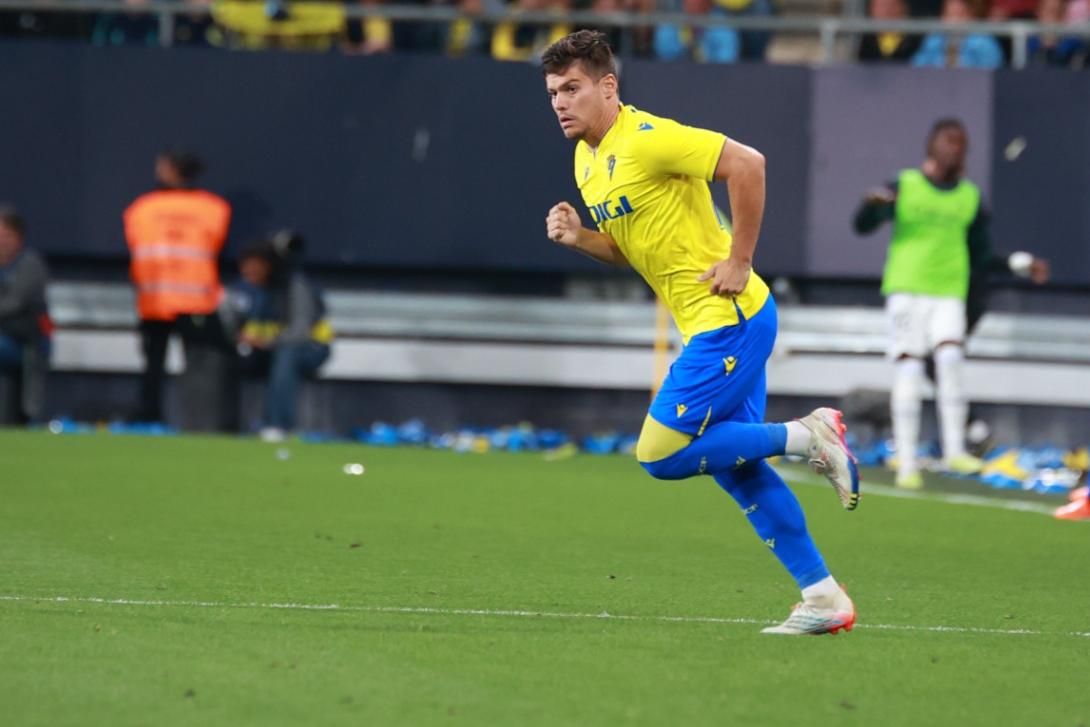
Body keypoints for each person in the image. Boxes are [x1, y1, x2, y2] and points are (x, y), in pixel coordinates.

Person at [542, 30, 859, 636]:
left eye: (573, 88)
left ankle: (807, 434)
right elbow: (637, 250)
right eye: (554, 91)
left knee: (658, 454)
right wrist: (582, 238)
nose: (560, 102)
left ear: (608, 86)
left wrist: (740, 258)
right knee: (737, 466)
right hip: (712, 326)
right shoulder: (587, 158)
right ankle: (823, 596)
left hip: (728, 319)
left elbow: (747, 163)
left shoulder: (649, 138)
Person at [853, 119, 1049, 490]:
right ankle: (907, 463)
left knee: (950, 358)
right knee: (910, 370)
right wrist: (871, 206)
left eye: (961, 144)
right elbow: (863, 225)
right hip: (908, 290)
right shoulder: (905, 185)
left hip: (949, 293)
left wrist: (1020, 263)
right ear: (932, 145)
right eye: (949, 142)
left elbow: (983, 254)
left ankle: (954, 447)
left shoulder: (969, 198)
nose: (955, 149)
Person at [123, 151, 231, 425]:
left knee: (153, 367)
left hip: (155, 300)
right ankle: (200, 422)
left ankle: (149, 420)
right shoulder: (214, 208)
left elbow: (136, 247)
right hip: (197, 301)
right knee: (199, 370)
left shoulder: (142, 208)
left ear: (171, 169)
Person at [225, 236, 333, 442]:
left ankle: (278, 425)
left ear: (269, 267)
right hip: (267, 349)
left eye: (255, 267)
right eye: (245, 267)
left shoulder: (293, 286)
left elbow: (300, 332)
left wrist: (265, 343)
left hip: (311, 348)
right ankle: (223, 425)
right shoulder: (243, 291)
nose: (249, 272)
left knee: (286, 356)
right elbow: (232, 323)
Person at [0, 206, 51, 424]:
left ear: (19, 238)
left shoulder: (30, 265)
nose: (1, 241)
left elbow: (13, 304)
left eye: (6, 235)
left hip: (27, 341)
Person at [911, 0, 1003, 69]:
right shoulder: (934, 40)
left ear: (970, 16)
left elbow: (991, 72)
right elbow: (916, 67)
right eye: (949, 14)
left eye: (959, 14)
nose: (954, 21)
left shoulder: (984, 42)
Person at [857, 0, 923, 63]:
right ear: (870, 10)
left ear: (904, 8)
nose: (886, 11)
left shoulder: (918, 40)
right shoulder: (860, 41)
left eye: (891, 6)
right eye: (880, 6)